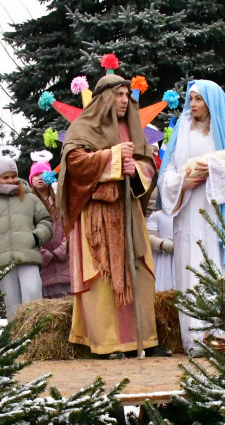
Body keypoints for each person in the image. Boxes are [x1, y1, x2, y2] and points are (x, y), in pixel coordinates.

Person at [58, 63, 171, 359]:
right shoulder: (82, 128)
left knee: (140, 273)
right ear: (104, 98)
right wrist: (113, 158)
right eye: (118, 95)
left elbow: (147, 163)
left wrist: (137, 170)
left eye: (126, 95)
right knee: (103, 278)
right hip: (97, 216)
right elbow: (75, 164)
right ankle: (107, 344)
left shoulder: (131, 128)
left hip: (129, 212)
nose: (124, 100)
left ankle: (145, 340)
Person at [158, 80, 225, 355]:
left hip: (217, 208)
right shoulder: (183, 130)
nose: (193, 104)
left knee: (218, 265)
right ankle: (197, 339)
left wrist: (211, 167)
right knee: (192, 265)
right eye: (191, 98)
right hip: (189, 208)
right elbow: (168, 173)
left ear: (211, 102)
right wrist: (181, 184)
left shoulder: (224, 130)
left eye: (199, 99)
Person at [0, 155, 52, 319]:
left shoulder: (30, 197)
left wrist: (36, 237)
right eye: (5, 177)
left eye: (13, 176)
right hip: (1, 260)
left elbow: (46, 221)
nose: (11, 180)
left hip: (28, 254)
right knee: (12, 305)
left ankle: (36, 339)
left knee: (33, 294)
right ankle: (16, 341)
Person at [30, 158, 72, 300]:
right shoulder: (29, 204)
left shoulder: (61, 200)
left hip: (64, 262)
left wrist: (62, 249)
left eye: (43, 174)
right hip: (43, 264)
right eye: (36, 175)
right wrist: (43, 253)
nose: (40, 178)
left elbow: (69, 225)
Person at [145, 189, 175, 292]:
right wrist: (163, 244)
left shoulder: (188, 215)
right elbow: (149, 236)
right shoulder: (157, 215)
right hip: (164, 259)